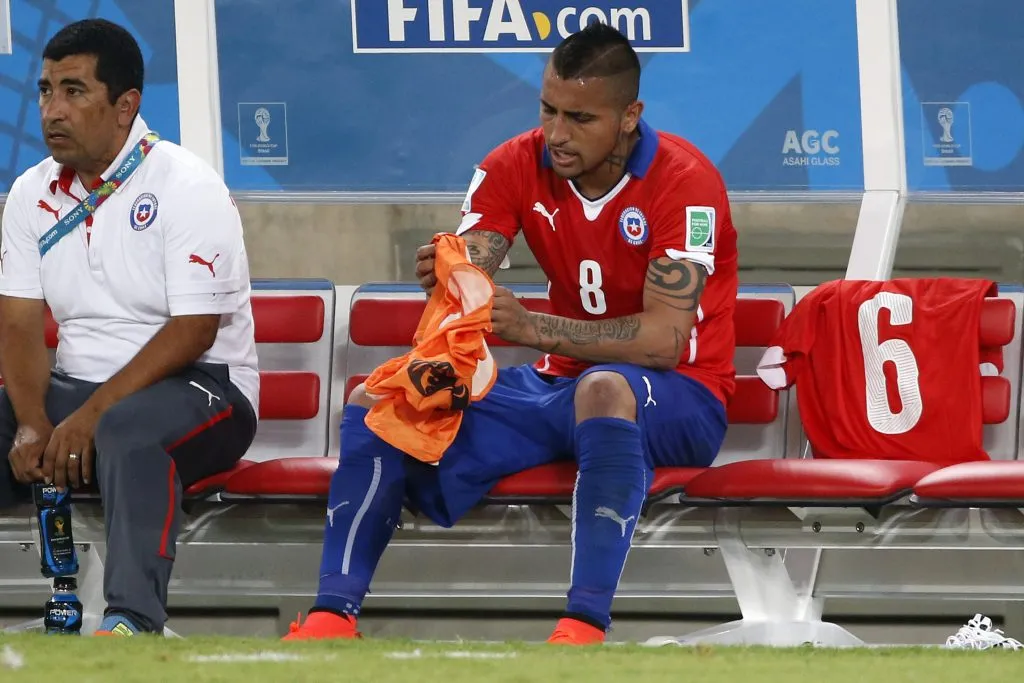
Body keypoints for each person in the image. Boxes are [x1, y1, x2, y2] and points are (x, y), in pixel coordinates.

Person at [285, 22, 737, 645]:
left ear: (630, 116)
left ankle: (583, 626)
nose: (557, 133)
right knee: (380, 399)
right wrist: (452, 273)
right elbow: (474, 263)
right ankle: (332, 616)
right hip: (558, 389)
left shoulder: (686, 181)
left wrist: (533, 327)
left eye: (580, 118)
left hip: (682, 395)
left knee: (605, 389)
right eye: (549, 110)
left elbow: (663, 342)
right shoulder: (515, 163)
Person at [0, 18, 259, 636]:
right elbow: (18, 321)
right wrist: (33, 421)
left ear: (125, 106)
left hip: (206, 387)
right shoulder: (30, 193)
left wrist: (91, 416)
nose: (52, 110)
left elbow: (194, 331)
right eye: (45, 91)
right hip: (78, 391)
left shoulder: (186, 184)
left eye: (74, 91)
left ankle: (130, 621)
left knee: (127, 431)